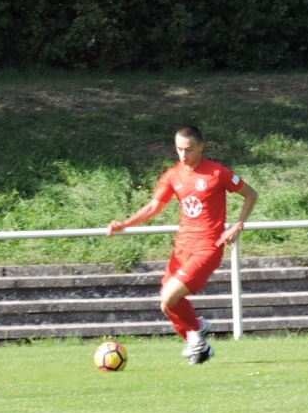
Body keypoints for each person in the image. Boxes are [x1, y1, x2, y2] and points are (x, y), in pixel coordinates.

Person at [107, 126, 258, 364]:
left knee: (169, 297)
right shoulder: (172, 175)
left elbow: (251, 194)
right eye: (179, 149)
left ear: (201, 147)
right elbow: (153, 207)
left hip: (208, 246)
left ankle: (197, 330)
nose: (183, 155)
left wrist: (238, 225)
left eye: (189, 149)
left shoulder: (217, 173)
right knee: (167, 305)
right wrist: (125, 224)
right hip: (182, 248)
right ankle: (199, 343)